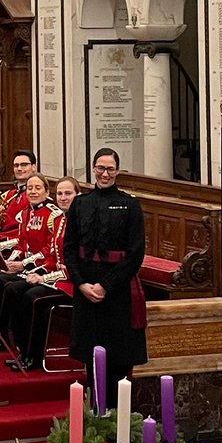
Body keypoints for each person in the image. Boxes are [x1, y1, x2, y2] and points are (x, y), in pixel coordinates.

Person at [63, 148, 147, 393]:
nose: (105, 174)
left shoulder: (130, 205)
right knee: (91, 356)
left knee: (118, 358)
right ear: (93, 169)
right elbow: (69, 249)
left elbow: (135, 254)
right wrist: (81, 284)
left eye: (110, 169)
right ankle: (96, 413)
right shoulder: (80, 203)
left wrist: (106, 286)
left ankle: (117, 416)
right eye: (100, 168)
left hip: (117, 292)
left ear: (117, 171)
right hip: (85, 289)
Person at [2, 175, 79, 371]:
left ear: (78, 195)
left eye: (68, 193)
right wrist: (36, 272)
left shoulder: (80, 222)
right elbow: (53, 256)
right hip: (56, 276)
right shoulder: (60, 220)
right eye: (60, 193)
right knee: (12, 289)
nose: (63, 197)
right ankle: (22, 349)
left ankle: (33, 355)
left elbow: (72, 267)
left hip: (71, 283)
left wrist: (42, 278)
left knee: (32, 298)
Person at [0, 171, 59, 351]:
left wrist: (22, 265)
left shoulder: (53, 215)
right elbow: (22, 245)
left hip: (44, 269)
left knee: (8, 286)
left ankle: (16, 343)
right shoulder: (25, 214)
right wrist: (7, 263)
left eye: (37, 188)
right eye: (30, 188)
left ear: (47, 192)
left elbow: (48, 251)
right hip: (27, 265)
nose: (32, 191)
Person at [0, 151, 38, 238]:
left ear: (33, 167)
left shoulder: (37, 195)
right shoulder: (10, 194)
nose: (19, 168)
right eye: (16, 165)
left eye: (24, 165)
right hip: (1, 236)